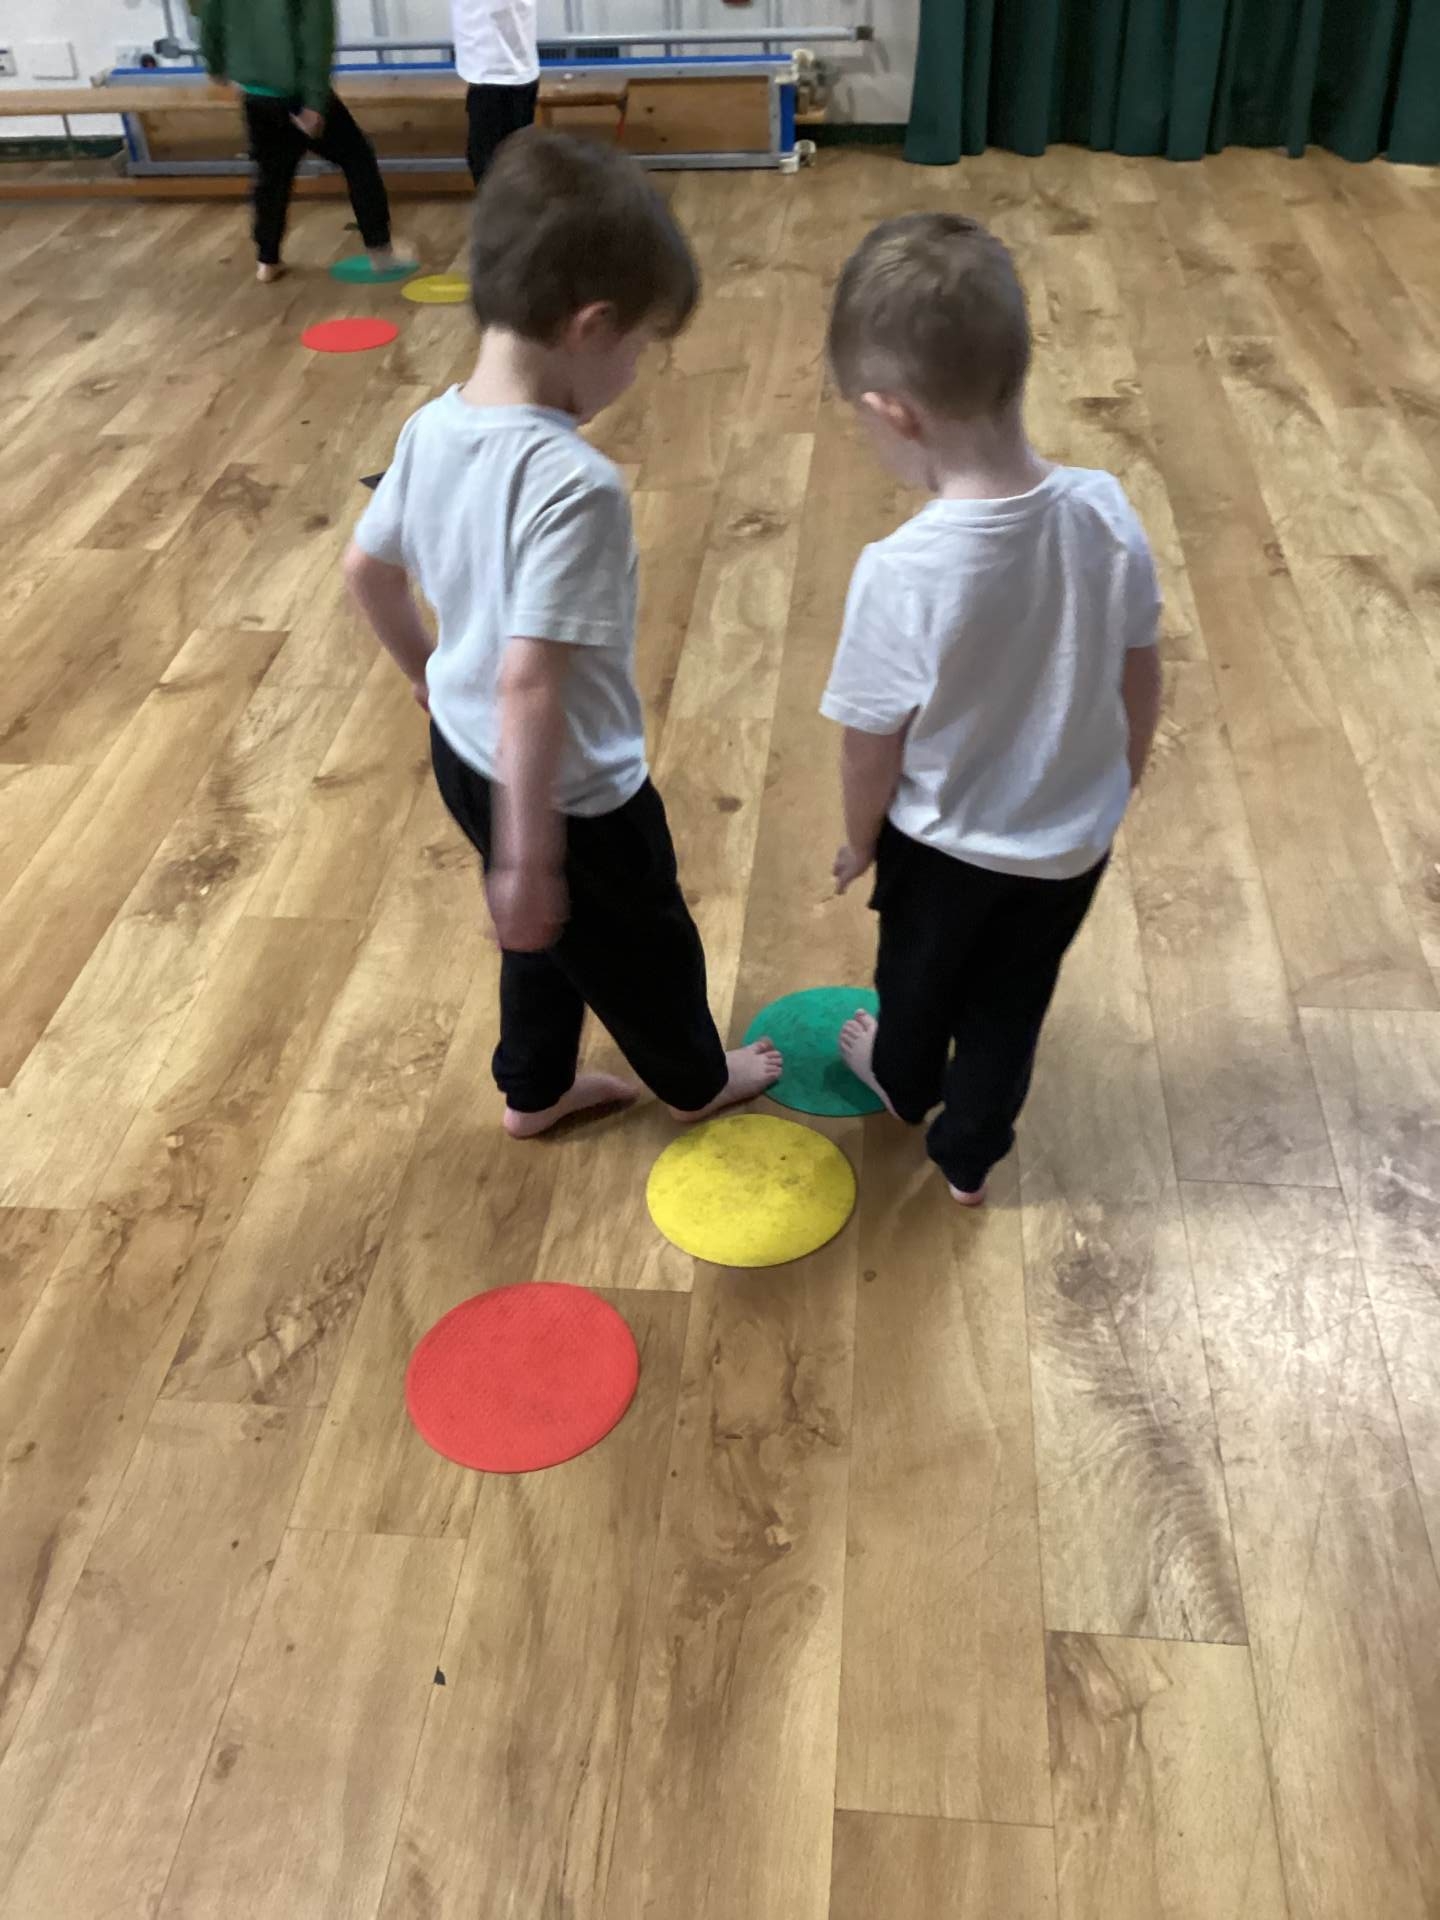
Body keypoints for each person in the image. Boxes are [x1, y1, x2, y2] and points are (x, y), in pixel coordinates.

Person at [343, 132, 782, 1137]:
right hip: (572, 791)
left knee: (542, 939)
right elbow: (531, 682)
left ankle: (534, 1087)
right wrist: (532, 856)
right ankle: (695, 1078)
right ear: (592, 327)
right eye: (642, 346)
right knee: (645, 944)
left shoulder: (429, 425)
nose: (637, 367)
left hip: (463, 755)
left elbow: (367, 571)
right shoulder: (576, 485)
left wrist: (426, 674)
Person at [821, 212, 1163, 1205]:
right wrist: (1120, 778)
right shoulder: (1104, 507)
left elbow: (868, 745)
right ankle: (968, 1160)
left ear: (895, 414)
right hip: (1069, 846)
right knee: (1013, 1005)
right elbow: (1142, 666)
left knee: (917, 986)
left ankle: (902, 1080)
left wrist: (860, 840)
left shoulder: (903, 572)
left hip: (944, 851)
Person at [197, 0, 415, 284]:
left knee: (272, 175)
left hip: (254, 91)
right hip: (295, 93)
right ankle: (380, 252)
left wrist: (214, 63)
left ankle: (267, 260)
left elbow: (209, 15)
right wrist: (313, 101)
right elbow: (315, 34)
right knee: (357, 159)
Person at [453, 0, 540, 186]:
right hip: (510, 67)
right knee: (511, 161)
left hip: (495, 69)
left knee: (491, 165)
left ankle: (503, 204)